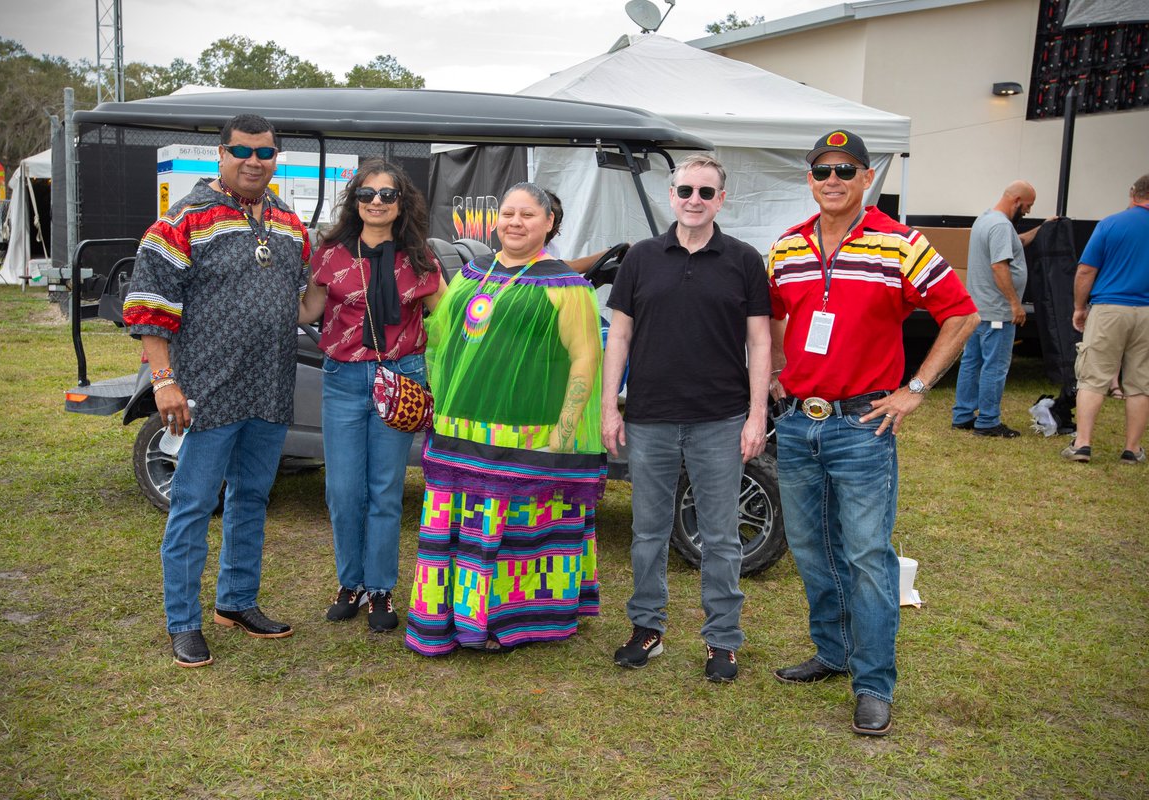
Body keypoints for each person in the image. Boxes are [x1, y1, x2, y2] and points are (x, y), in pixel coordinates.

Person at [766, 130, 978, 734]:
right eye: (821, 171)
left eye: (844, 170)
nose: (831, 180)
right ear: (810, 179)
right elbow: (775, 314)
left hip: (862, 424)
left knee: (866, 555)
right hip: (799, 421)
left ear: (865, 178)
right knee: (811, 550)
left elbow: (960, 313)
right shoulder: (787, 246)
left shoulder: (901, 244)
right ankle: (833, 652)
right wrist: (780, 373)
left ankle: (873, 683)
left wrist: (915, 389)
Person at [123, 114, 311, 667]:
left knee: (251, 499)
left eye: (266, 153)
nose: (255, 161)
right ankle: (183, 622)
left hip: (270, 389)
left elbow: (303, 302)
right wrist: (164, 382)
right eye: (243, 150)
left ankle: (237, 601)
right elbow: (149, 312)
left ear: (277, 158)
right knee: (193, 505)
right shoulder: (182, 220)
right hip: (204, 392)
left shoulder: (287, 223)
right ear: (221, 153)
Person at [404, 182, 607, 655]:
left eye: (529, 215)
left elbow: (584, 358)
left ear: (549, 223)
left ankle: (510, 622)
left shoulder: (566, 286)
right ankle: (453, 618)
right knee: (466, 529)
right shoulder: (475, 272)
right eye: (509, 213)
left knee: (518, 532)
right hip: (461, 427)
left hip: (527, 429)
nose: (516, 222)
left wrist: (566, 427)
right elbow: (444, 336)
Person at [602, 153, 772, 683]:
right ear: (669, 195)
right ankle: (646, 628)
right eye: (684, 191)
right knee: (647, 532)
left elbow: (760, 341)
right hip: (650, 417)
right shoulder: (641, 259)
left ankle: (722, 639)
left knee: (721, 537)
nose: (693, 200)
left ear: (721, 199)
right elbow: (620, 337)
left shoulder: (744, 260)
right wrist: (611, 405)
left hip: (720, 418)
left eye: (705, 192)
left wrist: (755, 414)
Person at [298, 160, 446, 633]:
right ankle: (350, 582)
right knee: (343, 491)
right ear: (355, 201)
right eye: (367, 194)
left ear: (401, 203)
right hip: (343, 378)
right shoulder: (331, 254)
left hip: (401, 379)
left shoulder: (420, 257)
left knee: (384, 490)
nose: (376, 202)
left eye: (387, 195)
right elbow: (308, 310)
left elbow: (447, 320)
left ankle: (380, 589)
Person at [1061, 174, 1149, 465]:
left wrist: (1078, 308)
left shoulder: (1111, 224)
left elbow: (1086, 270)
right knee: (1140, 383)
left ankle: (1083, 444)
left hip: (1110, 308)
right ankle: (1132, 449)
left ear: (1133, 192)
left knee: (1092, 376)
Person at [951, 181, 1046, 437]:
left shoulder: (985, 219)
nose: (1027, 211)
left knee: (971, 361)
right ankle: (988, 422)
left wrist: (1044, 228)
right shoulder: (1002, 226)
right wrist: (1015, 304)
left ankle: (962, 415)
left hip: (977, 309)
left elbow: (1017, 242)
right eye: (1027, 206)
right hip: (996, 312)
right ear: (1016, 200)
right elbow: (999, 267)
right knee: (995, 366)